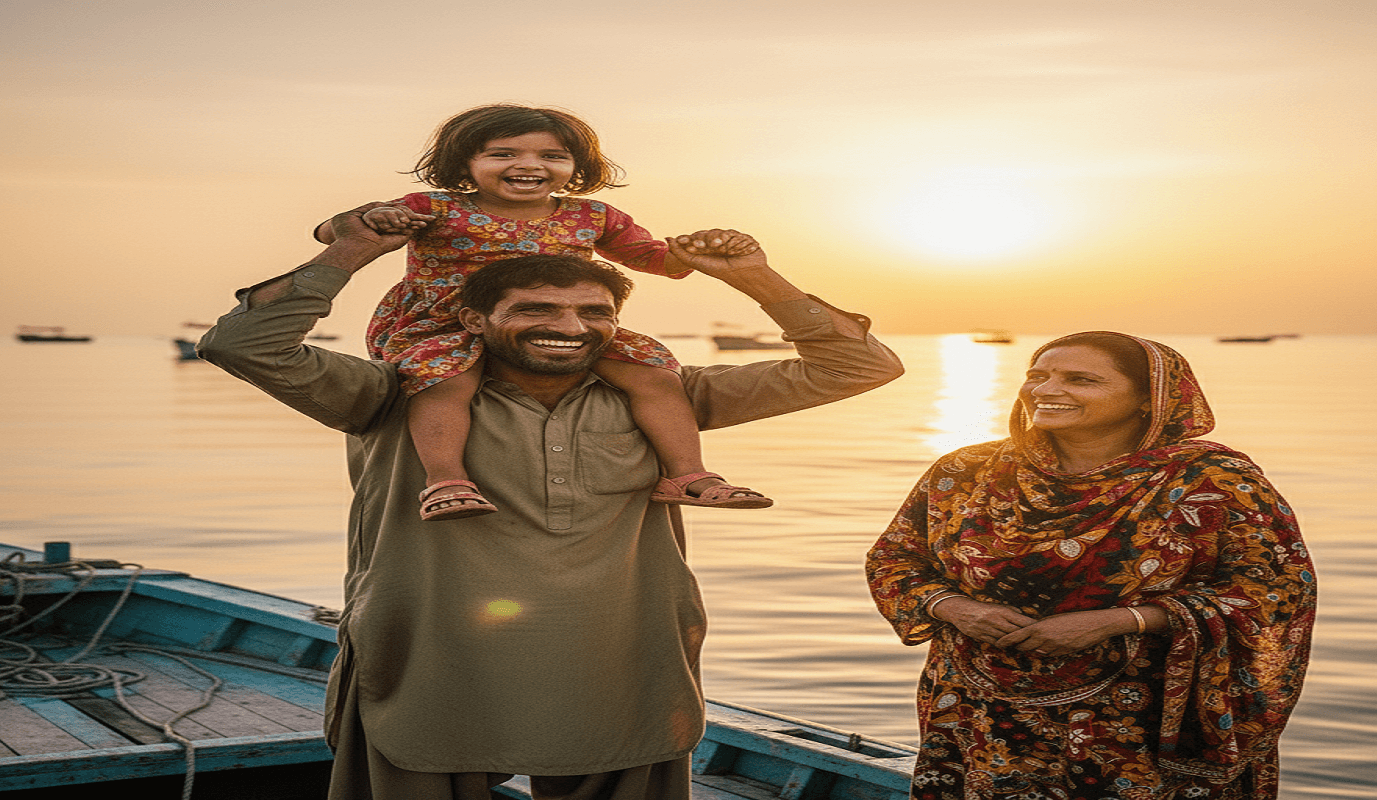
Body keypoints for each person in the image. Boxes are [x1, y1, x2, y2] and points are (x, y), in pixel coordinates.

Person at [197, 205, 904, 800]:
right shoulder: (389, 393)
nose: (569, 324)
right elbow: (243, 345)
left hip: (626, 666)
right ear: (473, 320)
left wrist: (756, 278)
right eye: (535, 308)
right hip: (426, 665)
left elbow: (863, 365)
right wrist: (346, 255)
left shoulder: (669, 397)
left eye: (592, 311)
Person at [866, 332, 1316, 800]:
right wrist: (957, 609)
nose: (1045, 390)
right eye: (1037, 376)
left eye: (1080, 379)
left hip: (1140, 722)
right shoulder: (966, 471)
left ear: (1149, 399)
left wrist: (1118, 621)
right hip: (977, 711)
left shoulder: (1215, 482)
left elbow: (1276, 592)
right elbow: (895, 559)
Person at [315, 104, 770, 521]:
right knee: (445, 380)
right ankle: (445, 480)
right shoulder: (433, 207)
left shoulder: (592, 216)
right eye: (503, 154)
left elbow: (654, 260)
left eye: (552, 156)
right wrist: (371, 218)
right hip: (448, 322)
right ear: (464, 164)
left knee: (654, 374)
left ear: (577, 167)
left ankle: (687, 474)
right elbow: (327, 232)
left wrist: (696, 252)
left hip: (561, 323)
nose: (529, 165)